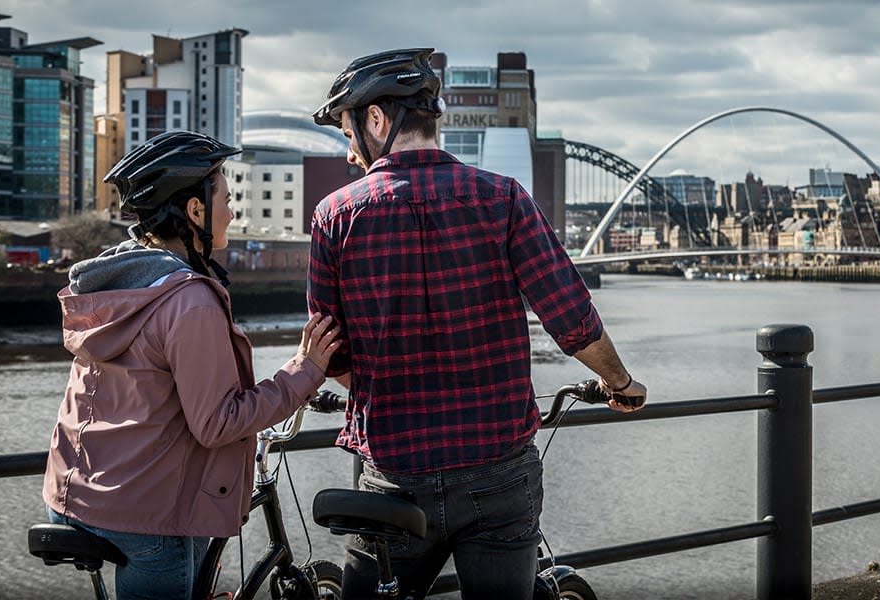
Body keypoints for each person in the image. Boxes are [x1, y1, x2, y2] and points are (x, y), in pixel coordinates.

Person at [309, 48, 648, 599]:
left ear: (376, 119)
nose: (350, 154)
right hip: (498, 470)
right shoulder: (504, 198)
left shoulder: (336, 216)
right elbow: (573, 319)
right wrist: (620, 382)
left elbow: (332, 354)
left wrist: (395, 398)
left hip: (394, 475)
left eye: (349, 133)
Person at [41, 130, 343, 600]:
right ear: (195, 211)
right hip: (148, 522)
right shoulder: (190, 302)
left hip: (74, 495)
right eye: (226, 196)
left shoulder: (114, 285)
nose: (232, 210)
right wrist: (303, 370)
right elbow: (218, 423)